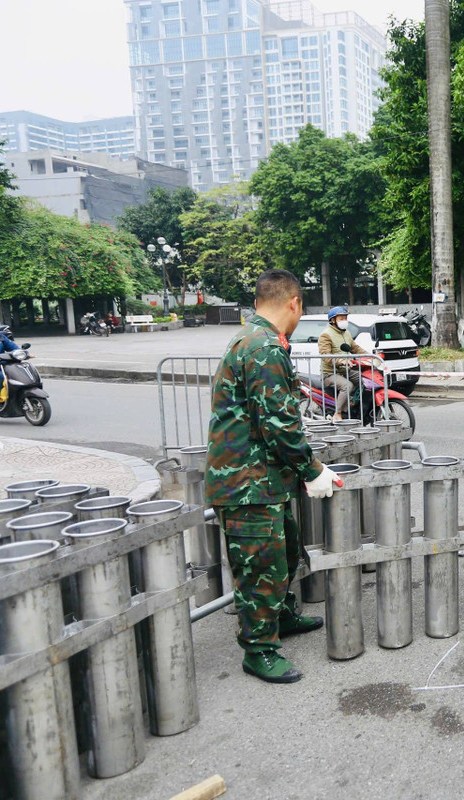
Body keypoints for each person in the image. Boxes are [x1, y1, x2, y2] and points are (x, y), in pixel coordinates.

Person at [206, 269, 342, 684]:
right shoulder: (263, 346)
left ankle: (281, 616)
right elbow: (279, 424)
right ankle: (259, 649)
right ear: (294, 303)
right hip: (246, 482)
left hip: (264, 478)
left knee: (283, 552)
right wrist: (312, 468)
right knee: (259, 566)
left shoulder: (254, 339)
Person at [318, 305, 369, 420]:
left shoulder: (346, 333)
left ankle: (351, 404)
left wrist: (370, 356)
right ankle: (338, 413)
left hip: (345, 370)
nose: (344, 321)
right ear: (333, 320)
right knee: (347, 386)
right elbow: (325, 355)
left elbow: (355, 348)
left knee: (365, 380)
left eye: (345, 318)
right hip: (330, 373)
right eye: (341, 319)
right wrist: (340, 361)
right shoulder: (325, 335)